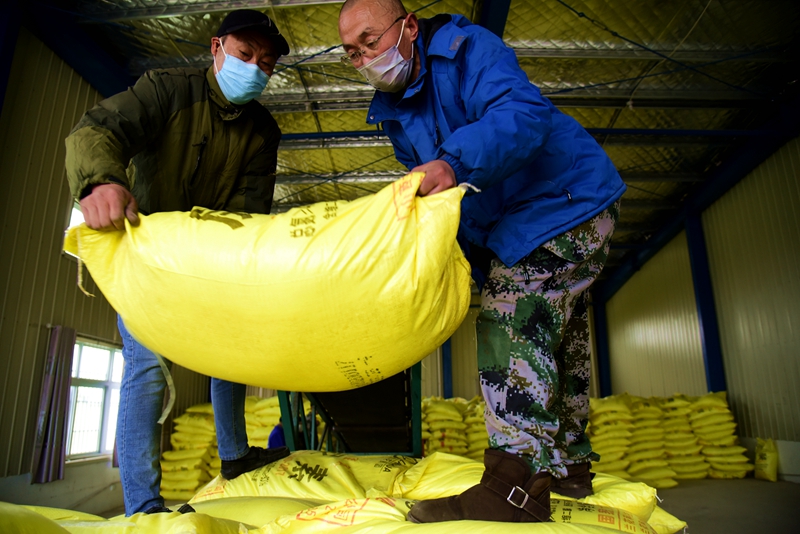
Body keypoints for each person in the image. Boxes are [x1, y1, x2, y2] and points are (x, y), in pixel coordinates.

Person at [339, 0, 626, 523]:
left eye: (371, 40)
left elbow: (522, 114)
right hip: (526, 219)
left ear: (408, 27)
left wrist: (452, 163)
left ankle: (515, 484)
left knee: (509, 313)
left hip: (562, 199)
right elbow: (449, 206)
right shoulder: (396, 112)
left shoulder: (466, 50)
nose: (365, 59)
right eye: (352, 53)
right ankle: (568, 468)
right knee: (556, 334)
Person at [65, 10, 292, 516]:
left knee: (231, 355)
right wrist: (101, 181)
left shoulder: (263, 130)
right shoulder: (167, 90)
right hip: (148, 256)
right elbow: (99, 129)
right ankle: (143, 506)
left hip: (211, 259)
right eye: (245, 54)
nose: (255, 68)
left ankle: (235, 456)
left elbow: (250, 212)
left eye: (266, 63)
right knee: (147, 366)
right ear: (216, 47)